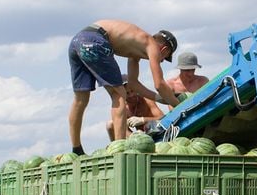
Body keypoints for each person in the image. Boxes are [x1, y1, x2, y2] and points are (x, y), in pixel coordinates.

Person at [68, 20, 179, 155]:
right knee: (119, 94)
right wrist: (178, 105)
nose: (161, 61)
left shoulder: (136, 48)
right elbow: (159, 84)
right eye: (165, 58)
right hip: (95, 41)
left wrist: (159, 99)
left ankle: (76, 149)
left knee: (81, 98)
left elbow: (133, 84)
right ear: (164, 49)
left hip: (78, 40)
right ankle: (119, 149)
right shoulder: (152, 45)